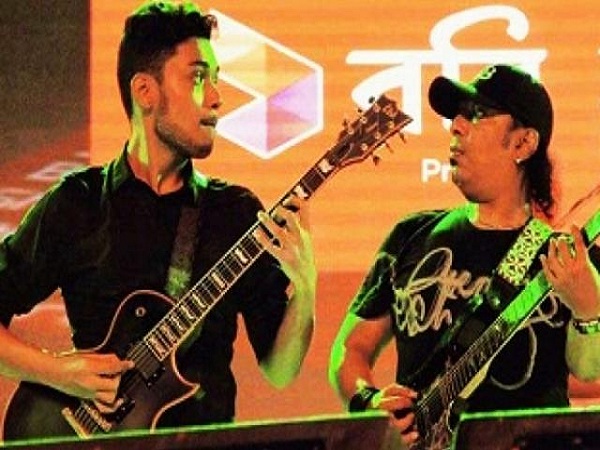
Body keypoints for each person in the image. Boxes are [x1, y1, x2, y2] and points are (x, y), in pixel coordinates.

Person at [0, 0, 317, 438]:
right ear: (145, 92)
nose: (216, 97)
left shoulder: (236, 212)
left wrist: (306, 288)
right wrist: (60, 372)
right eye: (198, 77)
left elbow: (281, 371)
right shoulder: (78, 203)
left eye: (216, 78)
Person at [329, 64, 600, 449]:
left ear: (523, 143)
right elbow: (351, 349)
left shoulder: (569, 258)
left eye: (476, 114)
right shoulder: (411, 235)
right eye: (456, 115)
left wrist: (588, 309)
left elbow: (589, 369)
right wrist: (368, 401)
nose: (455, 126)